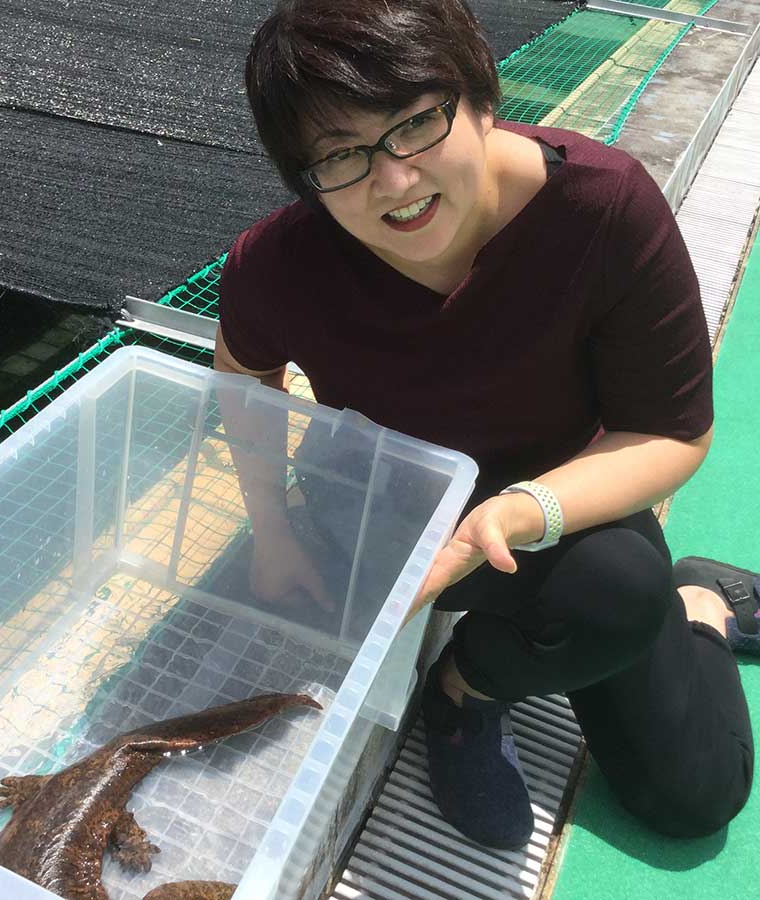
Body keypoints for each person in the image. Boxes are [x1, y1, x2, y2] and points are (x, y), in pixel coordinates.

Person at [214, 0, 754, 849]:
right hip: (394, 502)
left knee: (693, 791)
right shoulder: (281, 262)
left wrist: (512, 515)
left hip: (555, 510)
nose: (393, 180)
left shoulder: (604, 210)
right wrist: (272, 532)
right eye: (339, 155)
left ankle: (494, 678)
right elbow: (244, 375)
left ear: (480, 100)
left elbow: (670, 432)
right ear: (303, 176)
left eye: (415, 124)